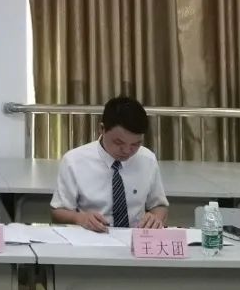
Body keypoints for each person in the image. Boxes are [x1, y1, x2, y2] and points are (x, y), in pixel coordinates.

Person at [50, 95, 169, 231]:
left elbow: (159, 205)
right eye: (119, 142)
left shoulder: (147, 159)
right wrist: (80, 218)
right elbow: (57, 212)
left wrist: (156, 218)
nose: (127, 151)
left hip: (135, 237)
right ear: (102, 129)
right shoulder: (73, 161)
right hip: (92, 236)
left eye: (135, 144)